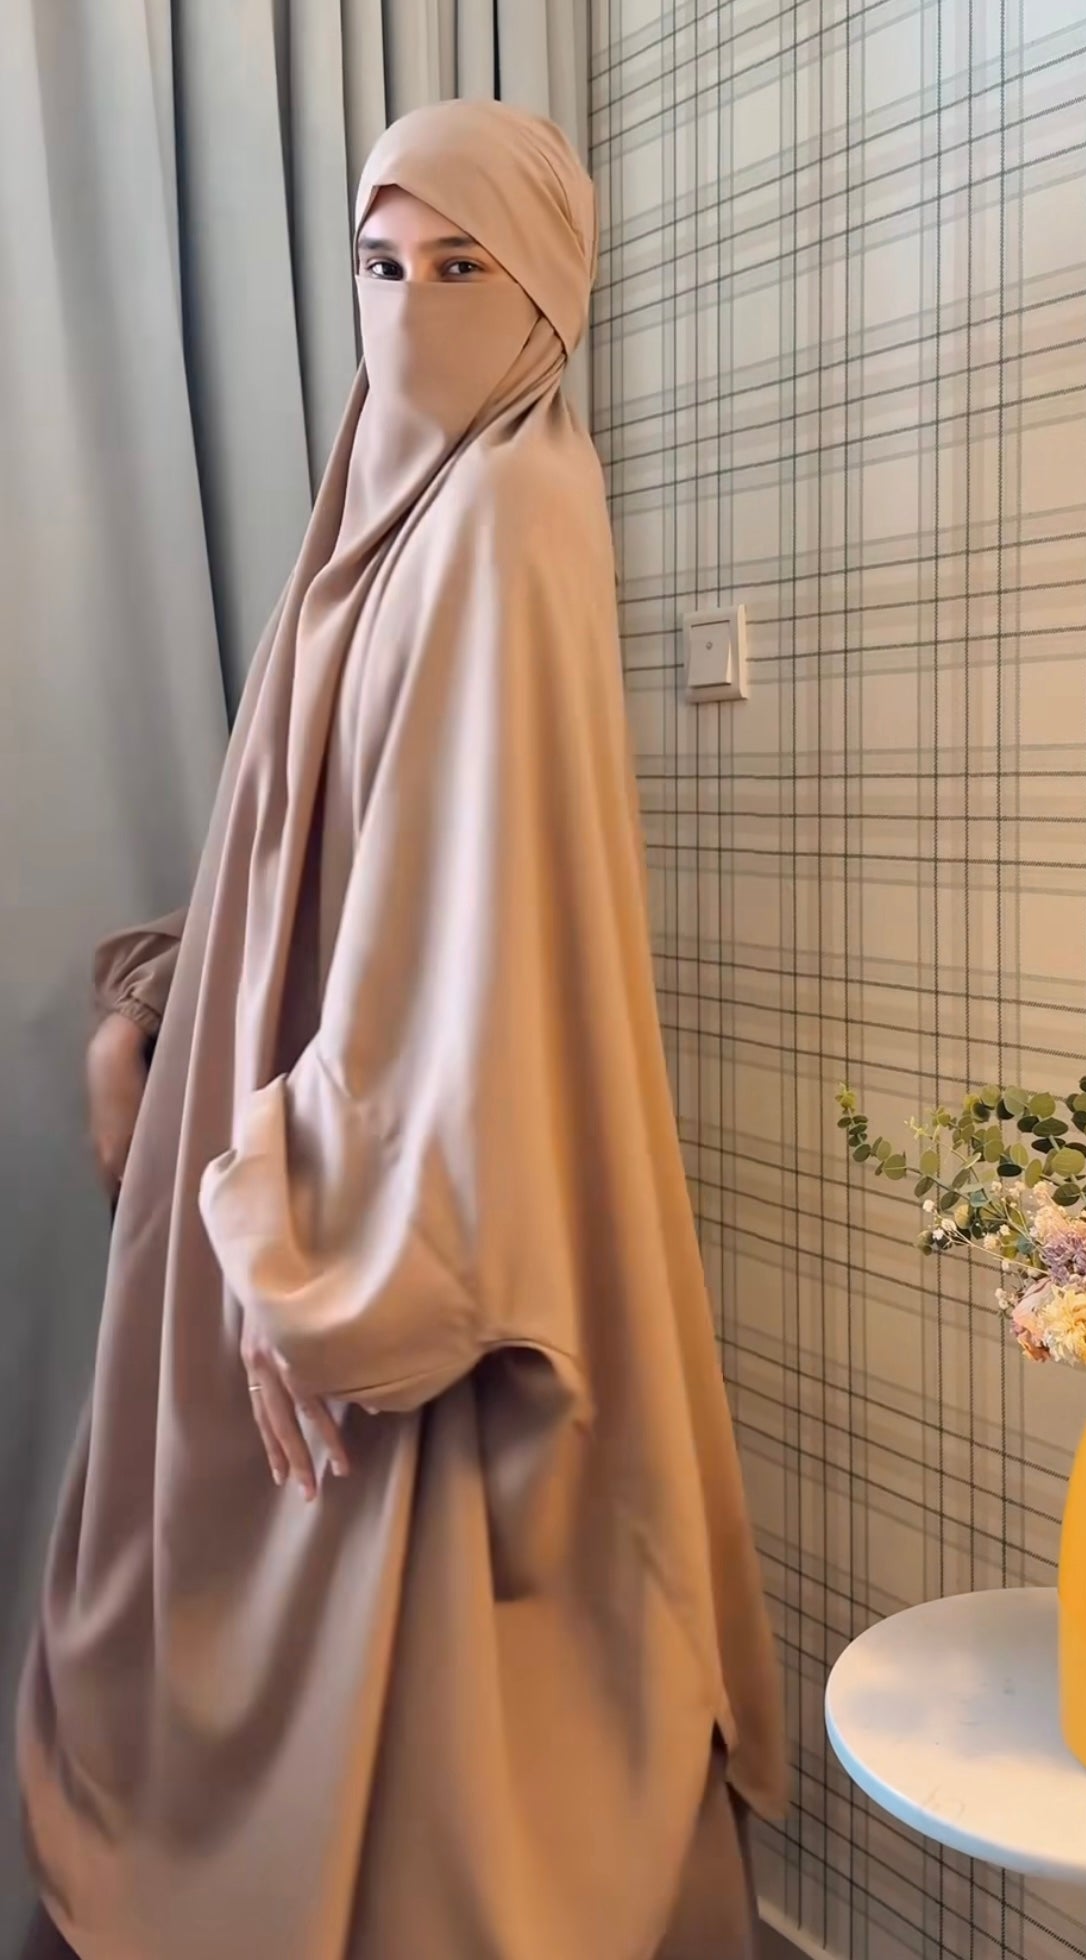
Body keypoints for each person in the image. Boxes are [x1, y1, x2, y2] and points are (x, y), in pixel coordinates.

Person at [18, 101, 787, 1960]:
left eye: (462, 268)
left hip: (410, 1172)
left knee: (431, 1703)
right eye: (380, 265)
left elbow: (470, 936)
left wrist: (306, 1229)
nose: (409, 309)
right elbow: (311, 836)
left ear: (548, 296)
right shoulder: (379, 499)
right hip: (312, 1125)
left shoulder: (513, 513)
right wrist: (162, 1016)